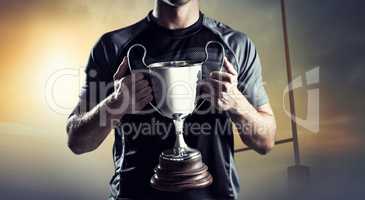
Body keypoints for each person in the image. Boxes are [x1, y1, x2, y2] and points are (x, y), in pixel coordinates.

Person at [66, 0, 277, 199]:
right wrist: (115, 104)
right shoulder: (112, 46)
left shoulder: (235, 45)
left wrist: (238, 104)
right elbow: (77, 141)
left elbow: (266, 141)